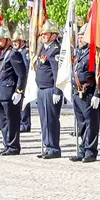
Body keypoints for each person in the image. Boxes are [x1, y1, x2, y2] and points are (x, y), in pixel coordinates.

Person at [70, 25, 100, 163]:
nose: (79, 39)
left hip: (89, 93)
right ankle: (82, 149)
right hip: (78, 94)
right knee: (81, 123)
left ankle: (90, 151)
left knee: (91, 124)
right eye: (79, 36)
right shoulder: (79, 53)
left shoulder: (93, 55)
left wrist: (97, 94)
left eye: (82, 36)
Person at [0, 28, 26, 156]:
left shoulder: (14, 54)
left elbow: (22, 74)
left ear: (8, 40)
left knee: (12, 121)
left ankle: (13, 146)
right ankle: (7, 144)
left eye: (0, 40)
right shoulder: (3, 54)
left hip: (10, 93)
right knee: (3, 122)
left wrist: (19, 91)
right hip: (1, 93)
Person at [35, 20, 63, 159]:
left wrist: (57, 91)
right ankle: (48, 146)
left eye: (46, 34)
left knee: (51, 120)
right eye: (43, 34)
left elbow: (57, 72)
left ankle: (53, 148)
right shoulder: (45, 49)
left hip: (50, 90)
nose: (43, 36)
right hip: (42, 90)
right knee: (44, 120)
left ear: (53, 35)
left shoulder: (55, 50)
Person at [12, 29, 32, 132]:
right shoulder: (17, 52)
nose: (14, 43)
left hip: (24, 80)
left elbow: (26, 67)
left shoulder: (25, 52)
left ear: (22, 42)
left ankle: (25, 123)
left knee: (24, 102)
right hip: (18, 80)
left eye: (17, 41)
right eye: (13, 41)